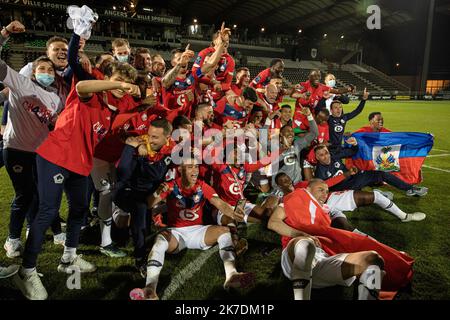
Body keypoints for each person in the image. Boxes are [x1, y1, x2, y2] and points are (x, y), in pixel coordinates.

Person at [12, 60, 140, 300]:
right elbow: (82, 85)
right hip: (56, 156)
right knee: (48, 211)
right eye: (118, 80)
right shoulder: (91, 96)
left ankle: (69, 257)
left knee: (80, 210)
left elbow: (138, 103)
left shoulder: (112, 110)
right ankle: (27, 270)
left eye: (127, 82)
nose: (123, 86)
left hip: (81, 163)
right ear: (108, 78)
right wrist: (117, 83)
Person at [129, 156, 254, 300]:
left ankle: (231, 275)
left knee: (224, 231)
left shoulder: (202, 185)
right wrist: (157, 192)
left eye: (196, 167)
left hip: (198, 231)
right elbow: (150, 204)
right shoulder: (169, 185)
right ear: (180, 170)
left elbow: (219, 203)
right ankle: (150, 288)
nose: (195, 170)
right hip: (176, 233)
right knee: (160, 240)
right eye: (190, 167)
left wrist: (233, 213)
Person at [268, 179, 414, 300]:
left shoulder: (325, 212)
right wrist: (299, 233)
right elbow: (273, 222)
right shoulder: (297, 197)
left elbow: (341, 230)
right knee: (306, 245)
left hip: (323, 261)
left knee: (373, 258)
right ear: (308, 189)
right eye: (321, 189)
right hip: (295, 257)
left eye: (326, 191)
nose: (325, 194)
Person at [1, 22, 67, 258]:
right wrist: (5, 33)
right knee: (23, 195)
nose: (46, 73)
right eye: (42, 69)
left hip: (41, 153)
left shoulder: (55, 99)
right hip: (17, 149)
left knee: (44, 194)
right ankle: (12, 239)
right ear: (32, 70)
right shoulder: (20, 83)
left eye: (50, 71)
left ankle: (41, 230)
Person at [114, 119, 176, 276]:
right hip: (126, 190)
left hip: (147, 191)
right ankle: (140, 259)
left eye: (155, 137)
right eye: (149, 135)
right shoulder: (138, 143)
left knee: (146, 219)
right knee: (140, 209)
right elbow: (122, 174)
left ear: (167, 138)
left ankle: (132, 237)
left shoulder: (173, 149)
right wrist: (132, 150)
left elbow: (160, 173)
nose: (150, 139)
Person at [274, 171, 426, 227]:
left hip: (329, 199)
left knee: (375, 196)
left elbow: (323, 184)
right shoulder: (281, 197)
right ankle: (363, 241)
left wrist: (342, 177)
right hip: (315, 214)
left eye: (287, 178)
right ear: (279, 186)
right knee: (342, 224)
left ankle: (404, 216)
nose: (287, 181)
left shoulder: (301, 184)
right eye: (283, 181)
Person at [310, 141, 429, 197]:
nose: (325, 156)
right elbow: (325, 185)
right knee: (374, 177)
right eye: (321, 155)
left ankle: (410, 188)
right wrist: (346, 174)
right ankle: (378, 195)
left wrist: (355, 144)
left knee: (379, 173)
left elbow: (352, 151)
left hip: (353, 179)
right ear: (317, 157)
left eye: (326, 152)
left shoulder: (334, 156)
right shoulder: (320, 170)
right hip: (343, 188)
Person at [271, 107, 318, 187]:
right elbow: (262, 139)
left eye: (292, 131)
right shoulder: (274, 145)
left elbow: (314, 133)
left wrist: (309, 116)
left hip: (297, 185)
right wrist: (269, 119)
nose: (291, 133)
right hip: (281, 187)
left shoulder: (297, 144)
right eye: (288, 131)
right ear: (281, 134)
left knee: (316, 184)